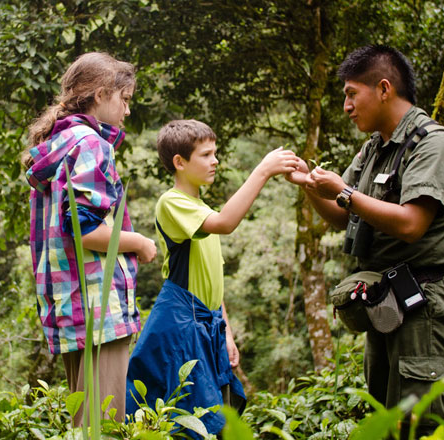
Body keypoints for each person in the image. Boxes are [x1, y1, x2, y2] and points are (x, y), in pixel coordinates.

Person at [287, 44, 444, 436]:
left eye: (353, 94)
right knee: (387, 419)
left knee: (421, 420)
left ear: (384, 88)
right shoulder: (375, 149)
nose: (347, 106)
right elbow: (341, 216)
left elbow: (411, 224)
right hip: (387, 303)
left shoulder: (434, 144)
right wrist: (308, 186)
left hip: (427, 305)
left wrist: (345, 191)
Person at [125, 119, 299, 435]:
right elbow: (226, 222)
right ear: (179, 162)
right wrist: (263, 170)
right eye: (206, 154)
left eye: (214, 153)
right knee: (190, 422)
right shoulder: (172, 201)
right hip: (179, 325)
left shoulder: (200, 207)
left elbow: (212, 282)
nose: (215, 160)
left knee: (215, 416)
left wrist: (228, 333)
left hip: (205, 323)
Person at [22, 52, 157, 426]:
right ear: (100, 95)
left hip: (71, 305)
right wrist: (140, 242)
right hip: (100, 307)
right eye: (125, 100)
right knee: (105, 424)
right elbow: (86, 231)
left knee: (86, 422)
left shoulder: (60, 142)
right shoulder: (93, 145)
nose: (127, 111)